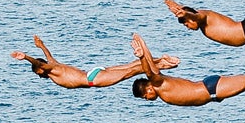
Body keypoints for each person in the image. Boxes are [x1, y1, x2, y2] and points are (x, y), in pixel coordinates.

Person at [126, 32, 245, 106]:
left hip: (211, 89)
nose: (147, 99)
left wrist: (142, 54)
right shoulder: (160, 83)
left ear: (148, 89)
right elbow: (150, 68)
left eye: (145, 96)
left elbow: (149, 71)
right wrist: (142, 47)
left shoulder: (159, 84)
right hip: (211, 89)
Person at [11, 35, 177, 89]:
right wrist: (42, 46)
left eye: (37, 72)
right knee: (132, 65)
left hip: (93, 79)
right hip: (93, 72)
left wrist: (26, 57)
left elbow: (40, 64)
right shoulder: (54, 66)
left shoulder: (50, 70)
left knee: (132, 70)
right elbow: (48, 57)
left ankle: (162, 62)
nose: (39, 75)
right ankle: (161, 61)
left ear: (39, 70)